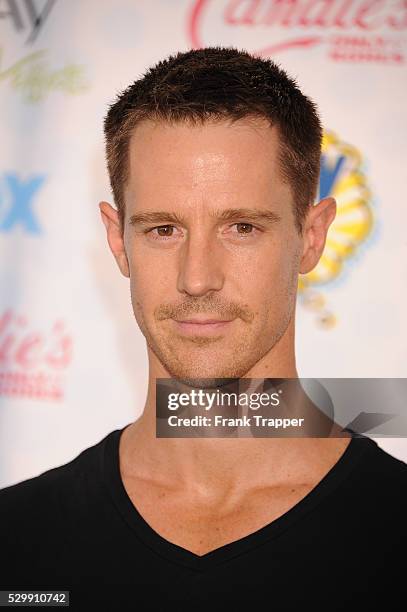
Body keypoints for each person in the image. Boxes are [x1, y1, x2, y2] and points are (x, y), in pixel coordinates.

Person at [0, 46, 405, 611]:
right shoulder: (16, 541)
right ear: (119, 240)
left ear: (311, 236)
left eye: (241, 227)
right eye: (163, 229)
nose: (197, 279)